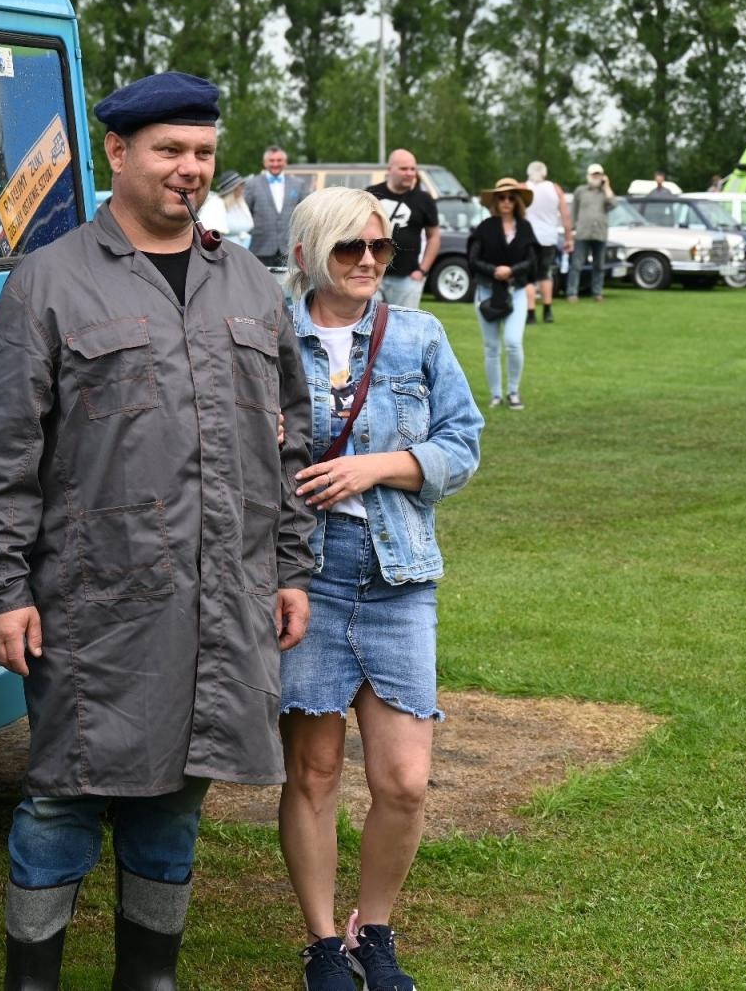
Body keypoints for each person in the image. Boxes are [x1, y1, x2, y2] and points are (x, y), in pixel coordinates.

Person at [0, 70, 315, 991]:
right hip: (92, 599)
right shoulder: (50, 281)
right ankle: (33, 978)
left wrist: (290, 568)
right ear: (117, 153)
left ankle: (146, 978)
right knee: (63, 795)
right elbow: (2, 449)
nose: (189, 170)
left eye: (203, 153)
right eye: (169, 151)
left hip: (220, 592)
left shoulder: (246, 281)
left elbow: (291, 433)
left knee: (180, 789)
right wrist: (1, 590)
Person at [276, 186, 482, 991]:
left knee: (404, 781)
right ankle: (324, 942)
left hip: (398, 575)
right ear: (306, 257)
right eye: (348, 250)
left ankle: (377, 930)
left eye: (379, 249)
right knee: (315, 774)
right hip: (307, 578)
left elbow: (462, 443)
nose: (367, 262)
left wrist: (382, 466)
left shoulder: (419, 335)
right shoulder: (266, 340)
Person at [470, 177, 539, 409]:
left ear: (517, 201)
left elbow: (532, 260)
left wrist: (511, 271)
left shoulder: (525, 227)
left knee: (512, 342)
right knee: (491, 346)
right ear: (495, 201)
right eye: (502, 198)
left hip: (515, 291)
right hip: (486, 292)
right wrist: (494, 271)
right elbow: (473, 259)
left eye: (511, 197)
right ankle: (496, 394)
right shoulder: (485, 227)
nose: (506, 202)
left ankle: (513, 391)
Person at [366, 149, 440, 308]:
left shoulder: (424, 199)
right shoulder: (371, 194)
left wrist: (422, 271)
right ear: (390, 169)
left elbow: (434, 236)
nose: (410, 173)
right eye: (404, 169)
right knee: (370, 326)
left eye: (413, 169)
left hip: (408, 278)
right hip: (372, 273)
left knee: (404, 329)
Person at [524, 160, 573, 324]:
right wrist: (569, 238)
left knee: (529, 278)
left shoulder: (524, 188)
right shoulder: (555, 189)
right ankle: (547, 310)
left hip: (528, 238)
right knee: (545, 274)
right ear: (545, 173)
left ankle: (530, 313)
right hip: (548, 237)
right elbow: (566, 215)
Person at [247, 146, 308, 267]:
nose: (275, 164)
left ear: (285, 162)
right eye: (272, 160)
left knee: (288, 284)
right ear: (265, 163)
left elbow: (306, 212)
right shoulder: (252, 184)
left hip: (289, 247)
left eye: (279, 160)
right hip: (260, 247)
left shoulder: (298, 184)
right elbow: (245, 213)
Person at [568, 163, 614, 302]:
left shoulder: (605, 193)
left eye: (599, 175)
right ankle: (572, 293)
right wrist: (571, 230)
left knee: (599, 265)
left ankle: (597, 292)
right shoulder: (580, 191)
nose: (596, 177)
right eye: (594, 174)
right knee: (577, 264)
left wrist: (607, 186)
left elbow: (613, 204)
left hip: (599, 233)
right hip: (583, 232)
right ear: (588, 176)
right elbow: (574, 211)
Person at [203, 168, 254, 249]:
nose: (243, 188)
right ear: (233, 188)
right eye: (240, 185)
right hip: (225, 250)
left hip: (242, 248)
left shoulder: (240, 203)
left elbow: (248, 226)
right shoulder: (216, 204)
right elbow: (213, 234)